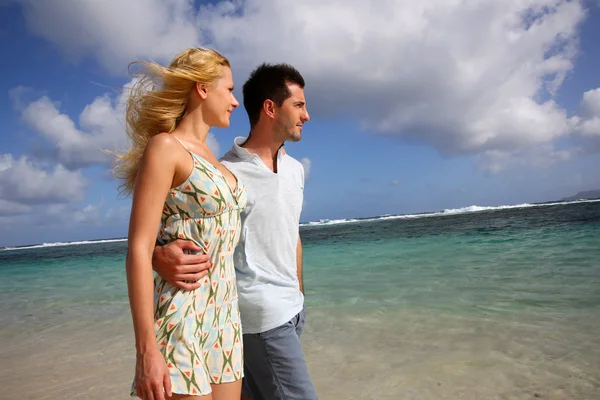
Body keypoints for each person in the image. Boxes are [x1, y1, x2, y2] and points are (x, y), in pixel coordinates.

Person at [153, 63, 317, 400]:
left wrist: (300, 294)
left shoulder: (295, 170)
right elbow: (174, 228)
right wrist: (157, 255)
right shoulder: (225, 173)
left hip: (292, 310)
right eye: (299, 105)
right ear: (270, 108)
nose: (307, 115)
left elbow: (292, 234)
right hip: (257, 314)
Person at [114, 47, 247, 400]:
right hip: (182, 315)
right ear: (202, 87)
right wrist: (146, 352)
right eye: (230, 89)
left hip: (225, 318)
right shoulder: (166, 148)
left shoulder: (217, 162)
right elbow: (138, 249)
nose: (235, 101)